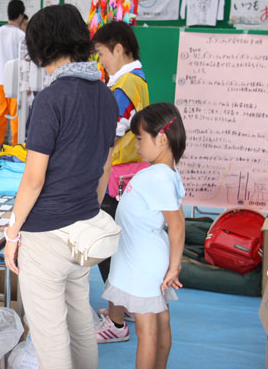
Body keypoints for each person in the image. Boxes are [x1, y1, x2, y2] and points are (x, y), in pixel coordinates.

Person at [3, 4, 118, 369]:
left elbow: (34, 179)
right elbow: (104, 167)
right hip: (83, 229)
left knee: (50, 335)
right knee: (81, 321)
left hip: (46, 235)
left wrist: (12, 231)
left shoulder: (51, 99)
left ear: (40, 47)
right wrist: (88, 207)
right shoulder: (104, 95)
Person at [100, 102, 186, 368]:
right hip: (147, 255)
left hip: (143, 260)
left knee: (147, 330)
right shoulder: (166, 173)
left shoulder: (156, 176)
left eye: (140, 138)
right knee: (160, 322)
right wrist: (173, 263)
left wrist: (174, 266)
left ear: (161, 139)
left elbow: (177, 224)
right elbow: (179, 218)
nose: (136, 144)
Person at [91, 20, 150, 336]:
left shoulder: (124, 85)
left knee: (108, 248)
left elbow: (107, 131)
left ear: (118, 48)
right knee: (117, 247)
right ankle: (121, 307)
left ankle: (115, 323)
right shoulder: (135, 81)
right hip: (126, 175)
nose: (102, 62)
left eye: (102, 54)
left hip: (116, 177)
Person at [0, 0, 26, 154]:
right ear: (21, 15)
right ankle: (17, 146)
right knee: (16, 116)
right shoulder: (21, 35)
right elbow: (24, 60)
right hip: (16, 81)